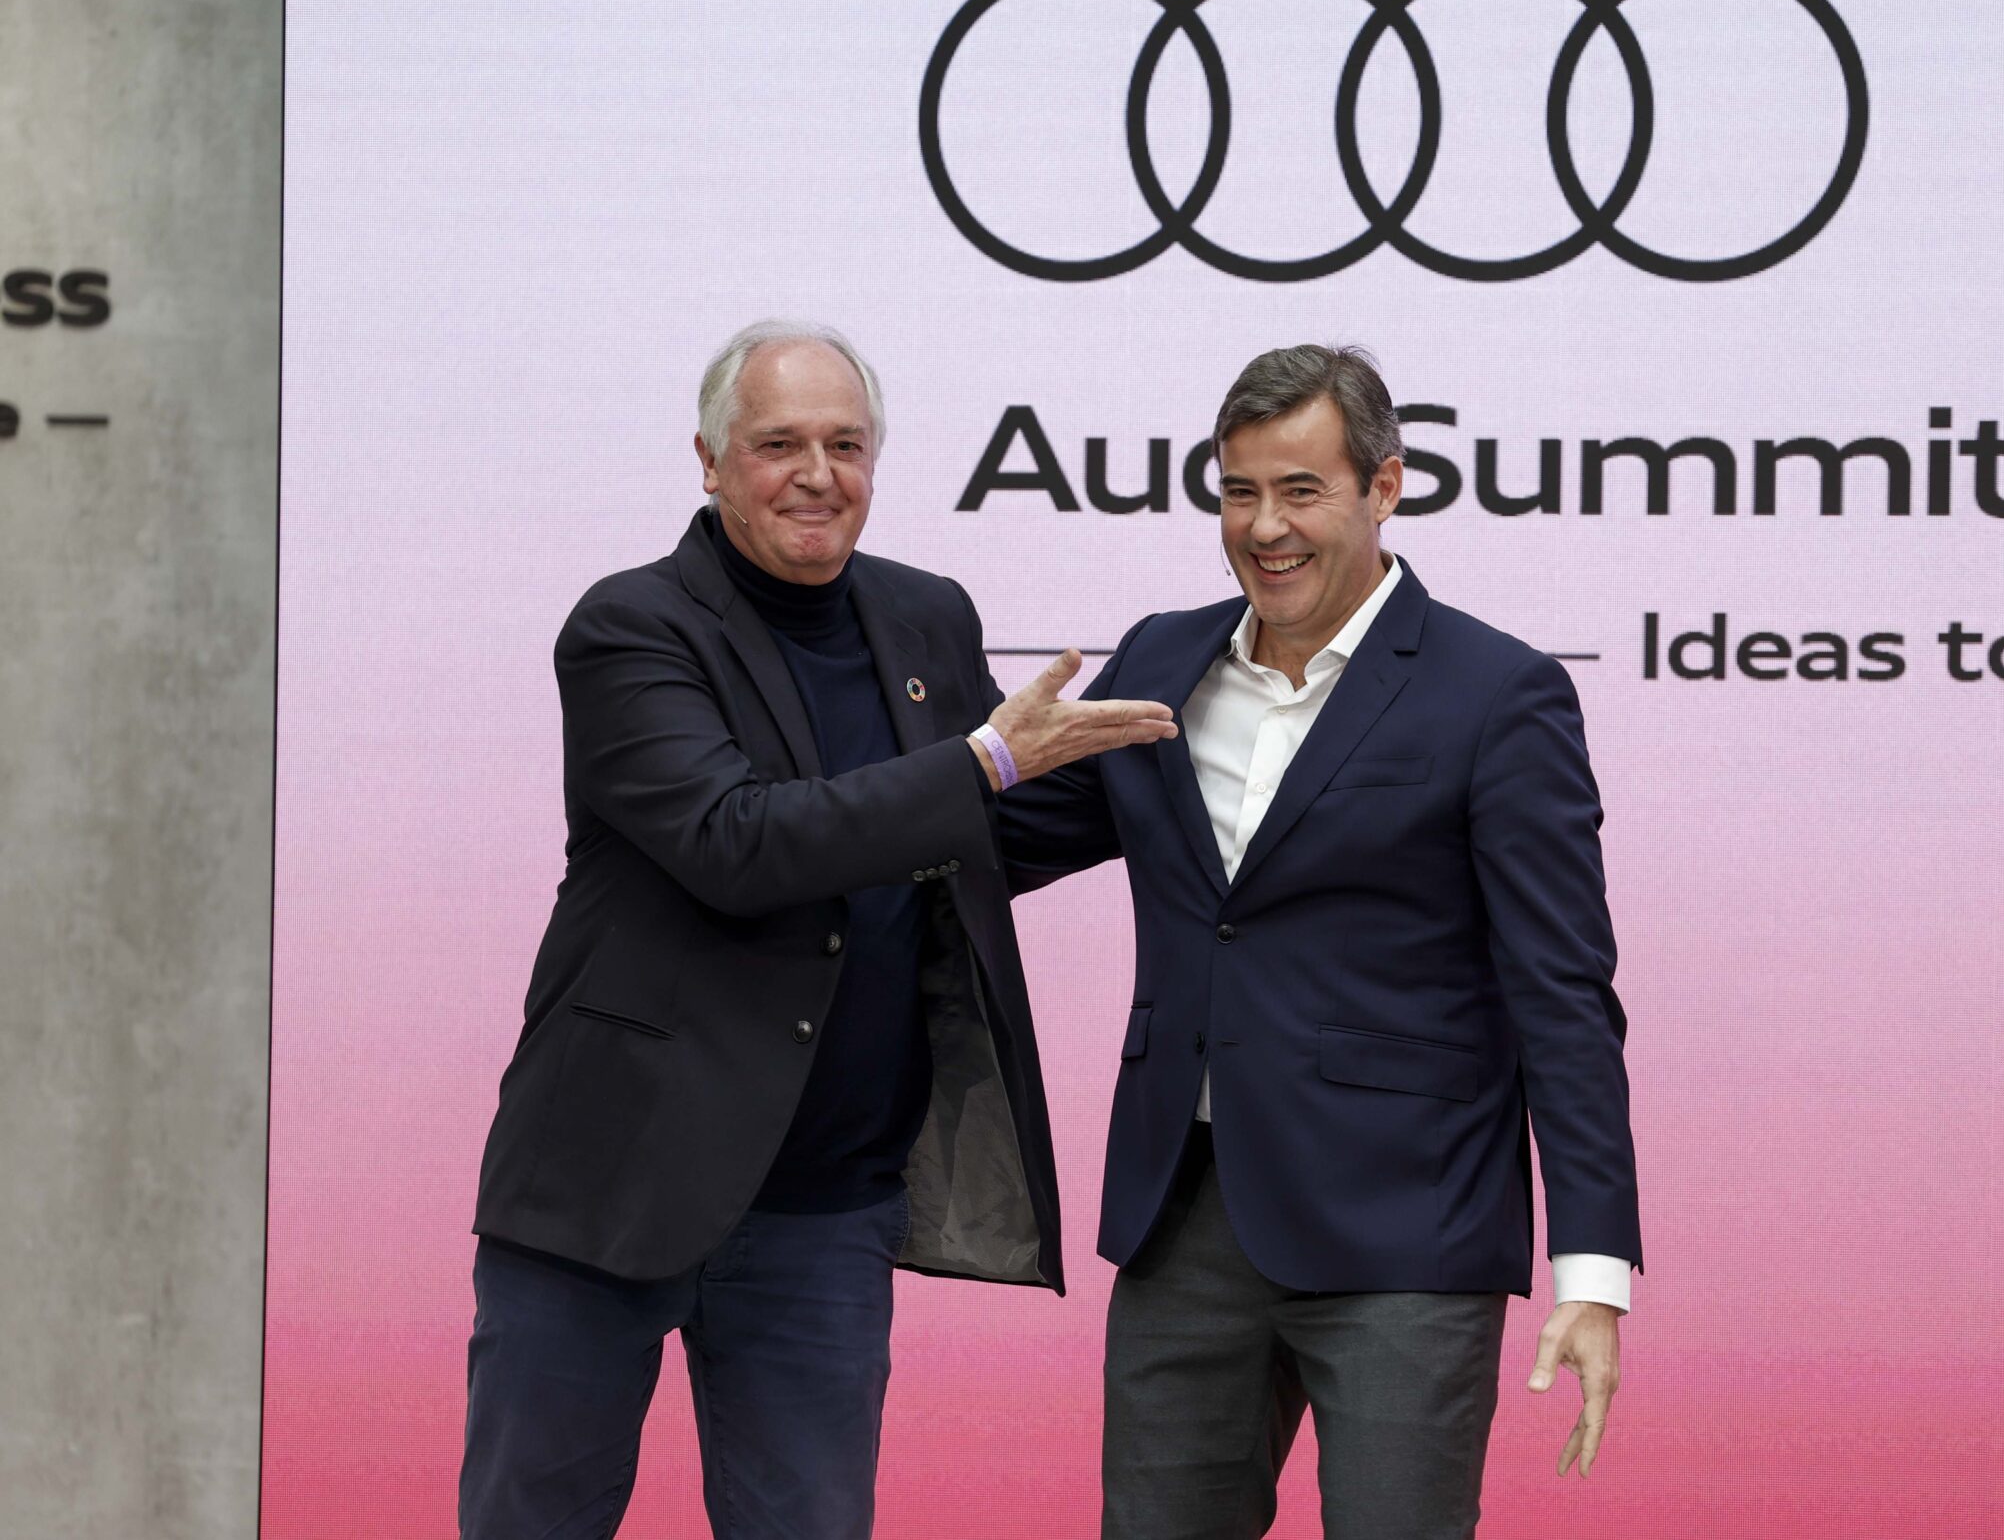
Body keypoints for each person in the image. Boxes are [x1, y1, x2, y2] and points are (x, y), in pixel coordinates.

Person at [461, 319, 1177, 1539]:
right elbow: (736, 842)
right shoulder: (632, 625)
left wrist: (1190, 762)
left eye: (846, 445)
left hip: (824, 1208)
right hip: (610, 1184)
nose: (817, 474)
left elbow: (964, 832)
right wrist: (988, 760)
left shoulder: (924, 614)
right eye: (778, 444)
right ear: (709, 461)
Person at [997, 344, 1642, 1540]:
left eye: (1301, 490)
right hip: (1184, 1218)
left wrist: (1593, 1270)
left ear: (1383, 488)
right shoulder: (1160, 659)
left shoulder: (1496, 693)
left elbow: (1561, 991)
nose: (1264, 527)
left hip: (1408, 1227)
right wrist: (970, 767)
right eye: (1239, 492)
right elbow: (996, 849)